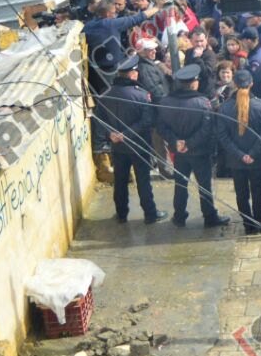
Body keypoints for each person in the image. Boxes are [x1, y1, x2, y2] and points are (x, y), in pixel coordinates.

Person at [95, 55, 167, 224]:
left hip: (118, 148)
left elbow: (99, 120)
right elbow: (146, 121)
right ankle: (150, 213)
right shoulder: (142, 95)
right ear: (132, 74)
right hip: (139, 146)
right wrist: (125, 134)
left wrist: (111, 134)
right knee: (143, 181)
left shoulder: (106, 96)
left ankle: (121, 214)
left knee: (120, 181)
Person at [158, 64, 231, 228]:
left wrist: (176, 141)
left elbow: (161, 127)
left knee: (180, 185)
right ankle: (209, 217)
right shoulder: (202, 102)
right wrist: (189, 143)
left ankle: (179, 216)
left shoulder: (165, 101)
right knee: (204, 186)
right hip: (199, 152)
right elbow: (207, 129)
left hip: (179, 152)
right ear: (194, 83)